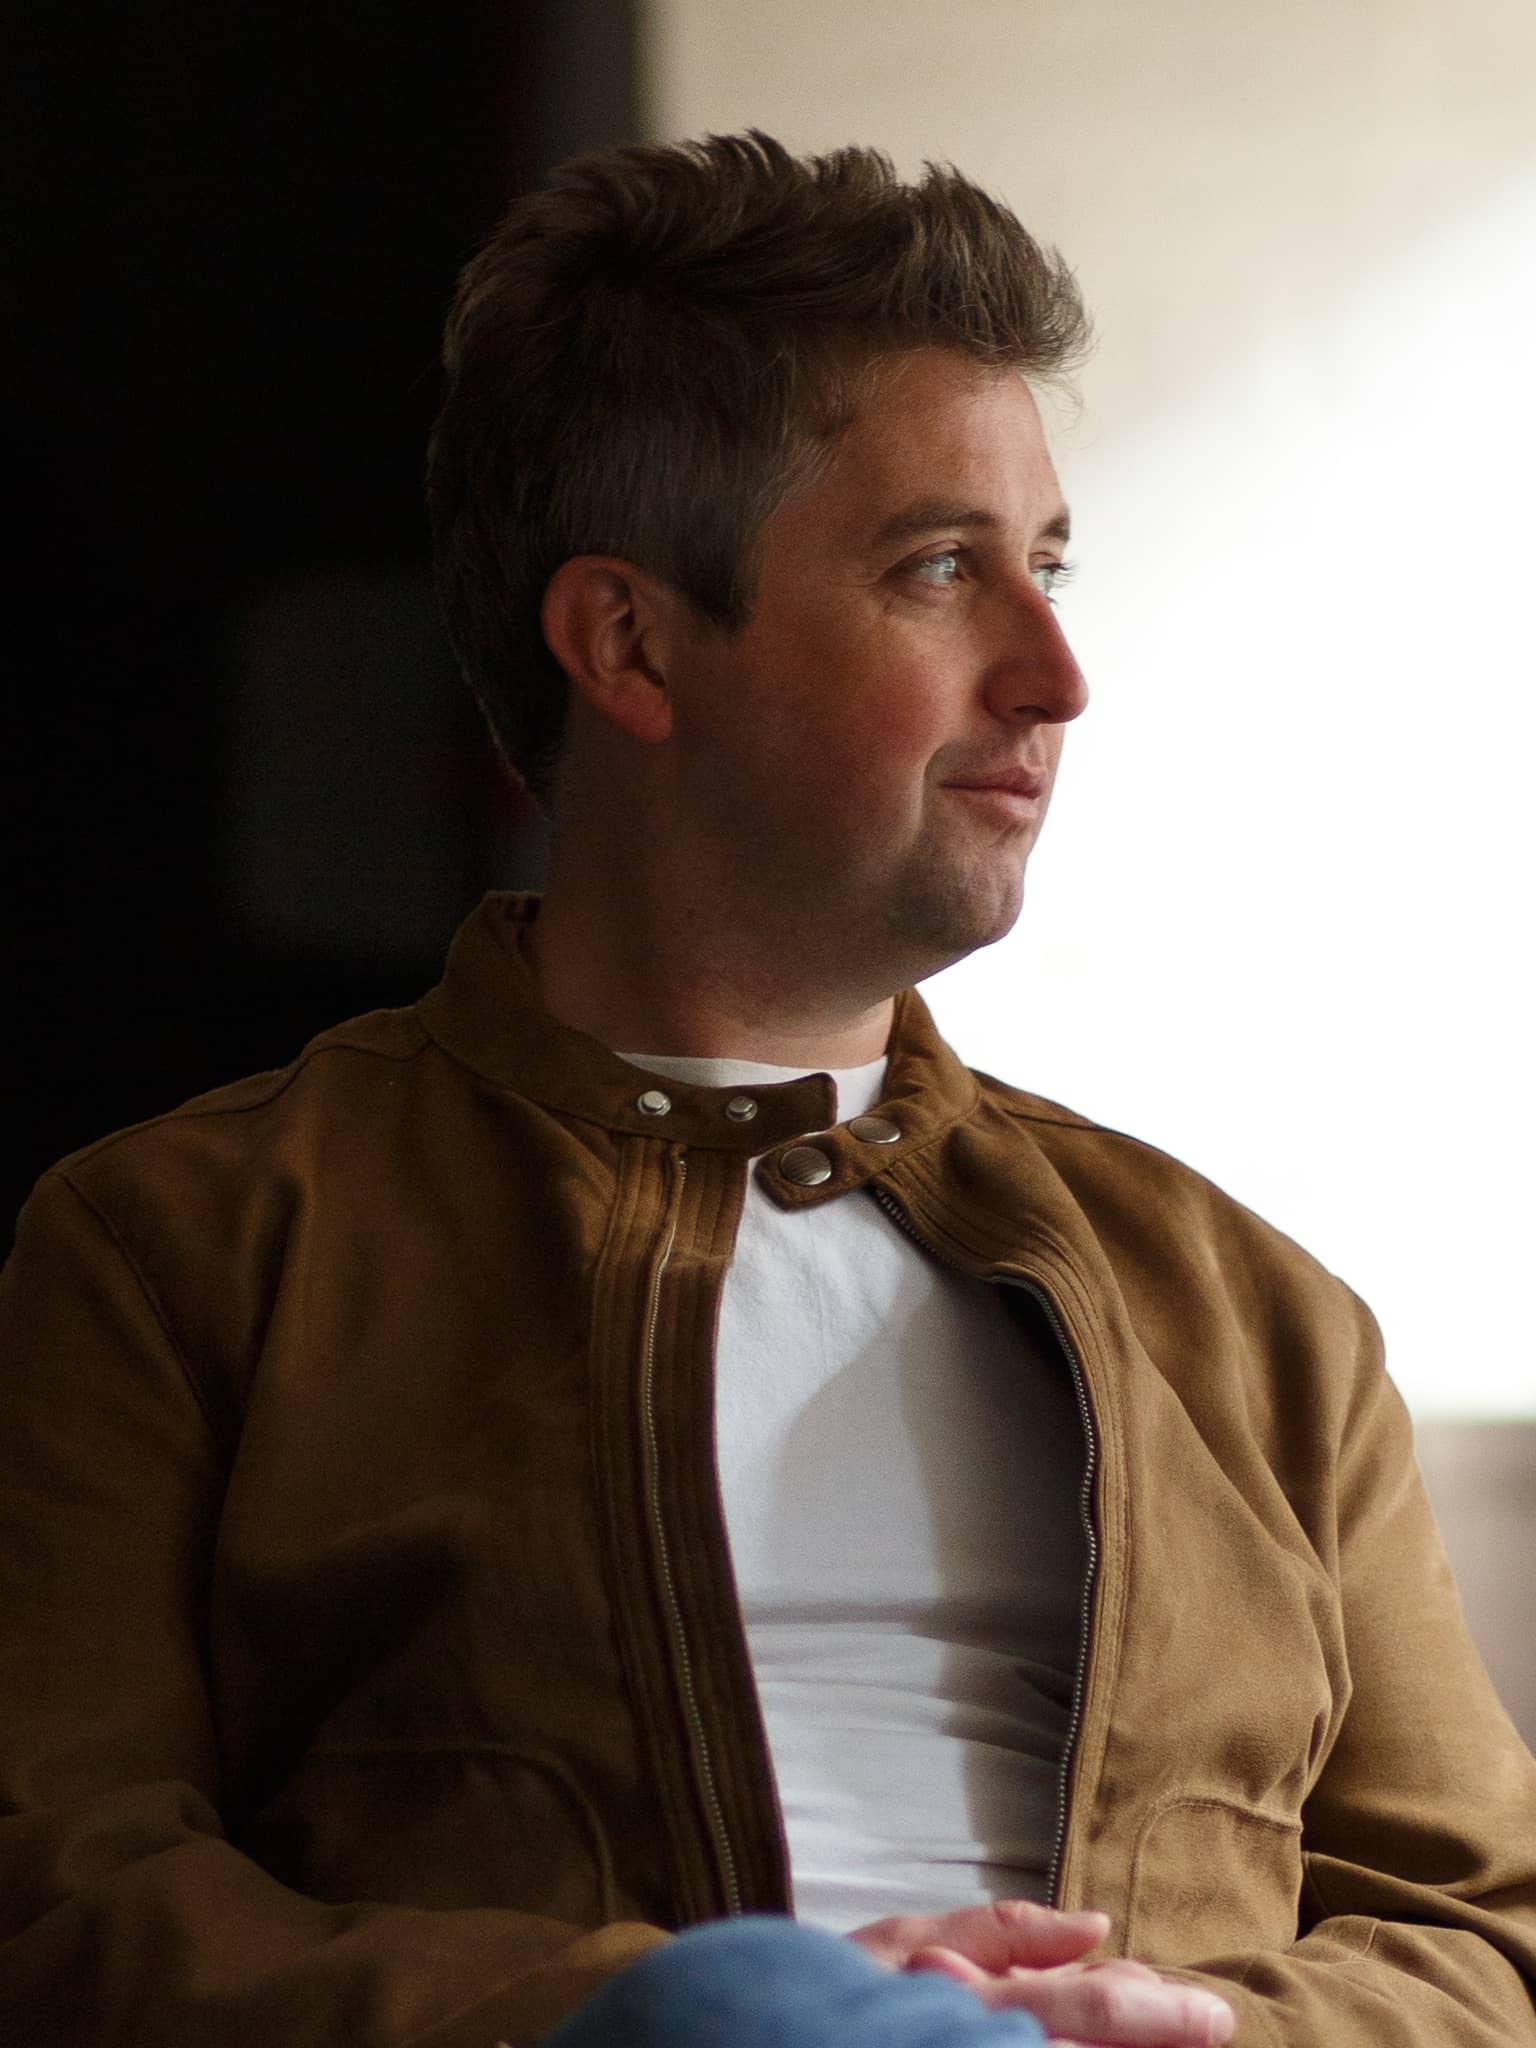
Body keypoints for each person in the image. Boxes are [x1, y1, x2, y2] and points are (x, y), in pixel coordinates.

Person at [0, 131, 1532, 2048]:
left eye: (1050, 565)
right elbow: (58, 1911)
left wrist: (1199, 2037)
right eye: (942, 568)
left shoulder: (1251, 1313)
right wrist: (653, 2011)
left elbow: (1485, 1940)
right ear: (631, 644)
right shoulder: (187, 1253)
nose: (1056, 673)